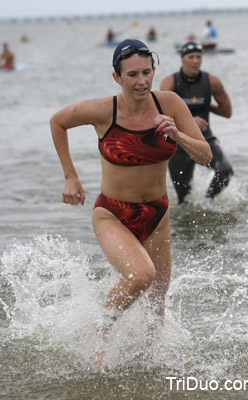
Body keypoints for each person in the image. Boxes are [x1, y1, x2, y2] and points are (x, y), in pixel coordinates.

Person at [50, 39, 212, 368]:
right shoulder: (102, 110)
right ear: (117, 77)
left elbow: (205, 155)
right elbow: (58, 122)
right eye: (132, 74)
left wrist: (178, 135)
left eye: (147, 72)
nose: (141, 81)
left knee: (156, 304)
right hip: (113, 214)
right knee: (141, 276)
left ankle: (149, 368)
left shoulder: (169, 102)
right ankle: (98, 331)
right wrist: (71, 176)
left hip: (158, 214)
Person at [160, 41, 233, 204]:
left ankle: (208, 202)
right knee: (183, 199)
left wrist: (208, 106)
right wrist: (188, 120)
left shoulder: (212, 81)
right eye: (191, 57)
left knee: (225, 170)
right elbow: (161, 115)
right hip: (178, 144)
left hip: (204, 139)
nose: (195, 60)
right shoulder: (170, 82)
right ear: (182, 59)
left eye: (199, 57)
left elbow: (227, 112)